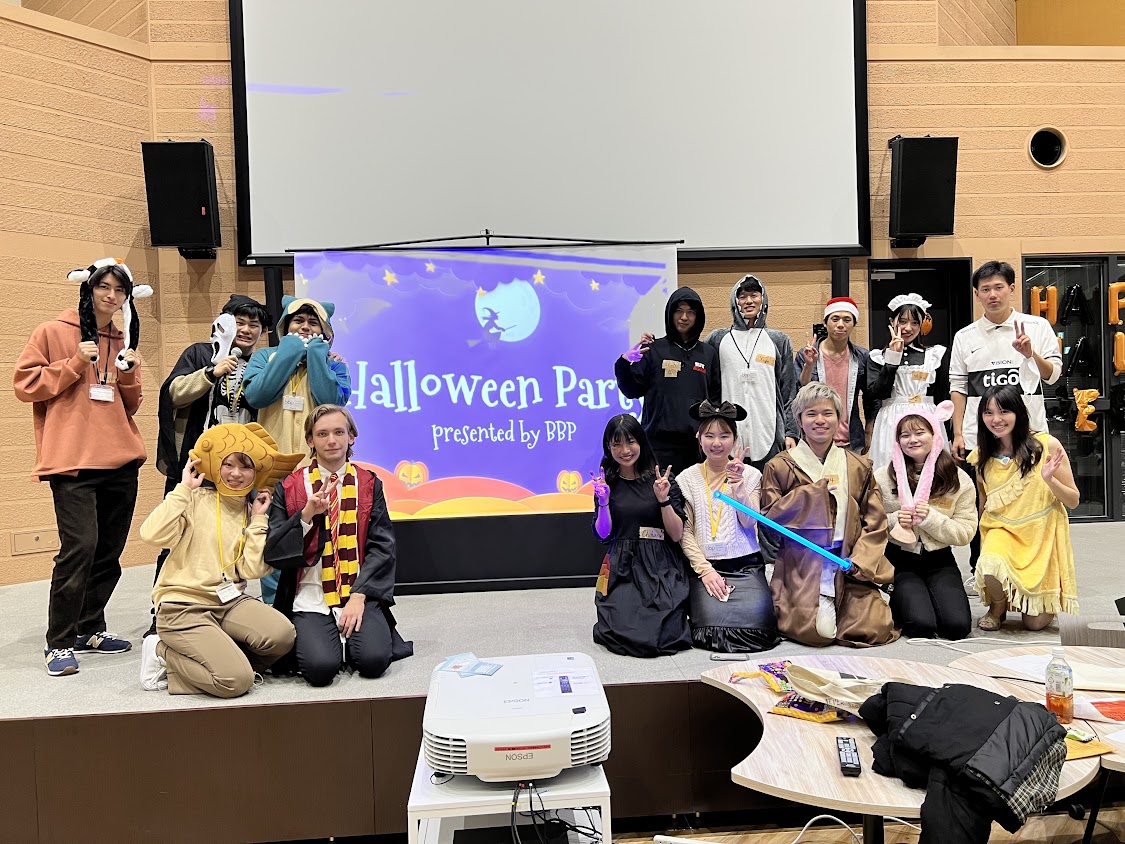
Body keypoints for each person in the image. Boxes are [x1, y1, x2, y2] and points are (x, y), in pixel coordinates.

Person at [13, 257, 149, 676]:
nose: (111, 296)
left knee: (109, 553)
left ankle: (90, 627)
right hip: (71, 464)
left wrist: (130, 373)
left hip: (121, 462)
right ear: (88, 289)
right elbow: (24, 384)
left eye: (119, 291)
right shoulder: (54, 331)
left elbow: (130, 404)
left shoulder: (121, 336)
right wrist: (74, 362)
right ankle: (58, 642)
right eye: (104, 287)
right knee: (80, 549)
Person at [138, 423, 302, 697]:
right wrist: (182, 489)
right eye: (229, 464)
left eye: (245, 466)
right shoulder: (193, 498)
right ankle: (161, 652)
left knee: (282, 635)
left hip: (228, 602)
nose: (236, 473)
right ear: (218, 466)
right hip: (183, 605)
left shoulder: (252, 511)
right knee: (235, 682)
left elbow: (251, 569)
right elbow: (151, 535)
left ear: (255, 473)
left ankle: (219, 658)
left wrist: (259, 520)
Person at [147, 294, 269, 635]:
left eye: (254, 325)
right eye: (239, 322)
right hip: (198, 468)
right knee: (180, 535)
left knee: (234, 536)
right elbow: (172, 393)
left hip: (238, 472)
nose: (246, 330)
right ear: (224, 323)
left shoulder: (259, 364)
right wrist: (211, 372)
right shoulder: (200, 353)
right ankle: (162, 613)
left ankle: (227, 607)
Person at [265, 405, 413, 686]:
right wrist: (306, 516)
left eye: (338, 432)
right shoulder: (290, 487)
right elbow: (274, 551)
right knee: (320, 670)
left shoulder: (369, 484)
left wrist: (360, 596)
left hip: (357, 589)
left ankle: (349, 635)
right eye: (322, 434)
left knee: (373, 661)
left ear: (351, 437)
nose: (331, 440)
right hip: (311, 593)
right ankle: (329, 637)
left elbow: (382, 546)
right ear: (310, 440)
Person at [949, 261, 1062, 579]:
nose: (992, 294)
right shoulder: (965, 336)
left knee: (1029, 503)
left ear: (1012, 288)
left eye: (999, 287)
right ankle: (980, 568)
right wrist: (958, 433)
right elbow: (958, 387)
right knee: (981, 504)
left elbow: (1053, 375)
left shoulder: (1036, 328)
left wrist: (1030, 354)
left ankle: (1029, 569)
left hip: (1029, 436)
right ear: (977, 294)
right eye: (985, 289)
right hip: (979, 437)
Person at [761, 383, 897, 647]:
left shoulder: (859, 465)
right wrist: (813, 494)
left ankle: (859, 599)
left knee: (873, 629)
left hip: (848, 561)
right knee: (819, 633)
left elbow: (876, 521)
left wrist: (862, 560)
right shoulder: (780, 465)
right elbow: (770, 518)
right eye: (811, 414)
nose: (820, 420)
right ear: (799, 420)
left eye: (828, 413)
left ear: (839, 419)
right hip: (804, 566)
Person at [244, 295, 351, 604]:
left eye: (313, 322)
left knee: (320, 538)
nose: (305, 327)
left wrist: (318, 356)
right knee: (274, 537)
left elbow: (332, 400)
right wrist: (289, 352)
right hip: (271, 468)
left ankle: (319, 605)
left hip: (317, 471)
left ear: (325, 331)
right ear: (285, 327)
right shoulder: (265, 357)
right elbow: (258, 395)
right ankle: (274, 608)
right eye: (298, 321)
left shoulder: (334, 364)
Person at [968, 385, 1079, 632]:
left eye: (1004, 411)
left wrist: (1050, 480)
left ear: (1018, 412)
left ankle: (1027, 599)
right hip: (1002, 530)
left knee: (1035, 624)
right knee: (989, 561)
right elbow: (983, 506)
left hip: (1040, 534)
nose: (996, 420)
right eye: (988, 413)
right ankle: (998, 606)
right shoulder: (981, 457)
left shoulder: (1046, 445)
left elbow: (1073, 500)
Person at [676, 400, 779, 653]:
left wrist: (738, 485)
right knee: (708, 631)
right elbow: (685, 533)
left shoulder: (752, 475)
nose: (717, 443)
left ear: (734, 439)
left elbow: (749, 521)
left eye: (724, 435)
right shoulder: (686, 478)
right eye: (709, 435)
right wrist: (705, 571)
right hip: (707, 567)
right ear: (699, 438)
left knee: (760, 627)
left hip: (745, 564)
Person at [591, 414, 692, 657]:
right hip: (623, 566)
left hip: (660, 565)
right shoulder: (607, 483)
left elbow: (677, 534)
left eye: (631, 442)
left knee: (661, 631)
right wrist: (603, 502)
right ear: (608, 447)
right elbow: (603, 534)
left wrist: (663, 500)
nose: (625, 450)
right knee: (623, 628)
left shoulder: (662, 481)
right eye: (616, 444)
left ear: (642, 442)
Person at [874, 403, 975, 640]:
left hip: (939, 558)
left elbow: (966, 532)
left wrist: (930, 518)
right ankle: (904, 598)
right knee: (920, 626)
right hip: (900, 558)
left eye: (920, 433)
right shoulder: (882, 477)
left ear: (935, 435)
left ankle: (921, 597)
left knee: (956, 627)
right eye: (905, 435)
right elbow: (867, 523)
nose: (913, 440)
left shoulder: (957, 480)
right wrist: (892, 520)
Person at [614, 287, 720, 474]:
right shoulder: (654, 349)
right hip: (658, 446)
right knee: (661, 499)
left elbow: (715, 400)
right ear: (670, 314)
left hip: (695, 447)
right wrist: (624, 363)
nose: (684, 317)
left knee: (692, 501)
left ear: (698, 316)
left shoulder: (709, 354)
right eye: (678, 311)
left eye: (690, 312)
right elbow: (632, 391)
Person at [705, 275, 798, 472]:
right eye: (742, 296)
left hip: (770, 431)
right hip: (727, 435)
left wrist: (791, 432)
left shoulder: (779, 340)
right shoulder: (717, 339)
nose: (748, 301)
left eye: (754, 295)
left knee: (769, 493)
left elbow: (789, 391)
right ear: (734, 301)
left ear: (762, 299)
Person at [866, 293, 949, 470]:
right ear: (892, 321)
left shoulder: (934, 355)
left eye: (915, 323)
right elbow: (878, 392)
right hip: (891, 420)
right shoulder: (877, 357)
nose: (908, 328)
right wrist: (893, 357)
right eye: (902, 321)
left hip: (927, 418)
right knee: (891, 471)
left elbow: (942, 395)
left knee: (931, 471)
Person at [795, 296, 876, 454]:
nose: (840, 325)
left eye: (847, 320)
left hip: (852, 439)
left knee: (850, 478)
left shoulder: (862, 356)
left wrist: (869, 430)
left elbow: (871, 397)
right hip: (815, 437)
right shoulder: (806, 354)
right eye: (835, 319)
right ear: (825, 323)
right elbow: (800, 391)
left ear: (854, 324)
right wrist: (809, 365)